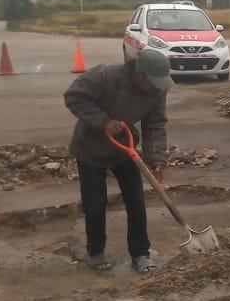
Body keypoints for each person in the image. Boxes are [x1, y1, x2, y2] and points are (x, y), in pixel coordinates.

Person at [64, 48, 172, 273]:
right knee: (95, 204)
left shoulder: (157, 90)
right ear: (139, 75)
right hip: (90, 148)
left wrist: (157, 160)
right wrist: (104, 121)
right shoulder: (105, 76)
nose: (156, 87)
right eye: (153, 82)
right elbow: (73, 96)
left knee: (136, 203)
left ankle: (141, 253)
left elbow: (155, 125)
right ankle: (96, 252)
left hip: (125, 147)